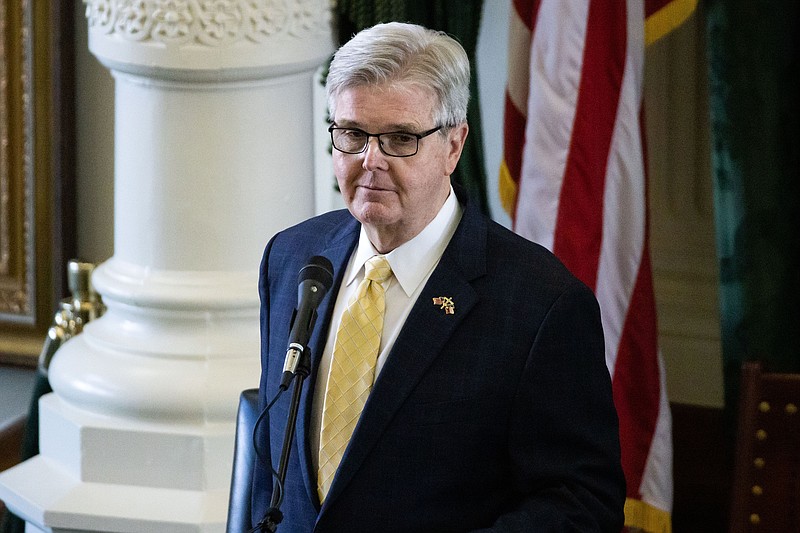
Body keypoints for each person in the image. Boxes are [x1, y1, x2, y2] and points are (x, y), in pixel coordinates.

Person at [251, 21, 625, 532]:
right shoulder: (291, 259)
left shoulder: (542, 307)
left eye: (401, 138)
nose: (370, 161)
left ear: (454, 145)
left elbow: (583, 504)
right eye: (353, 134)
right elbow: (271, 467)